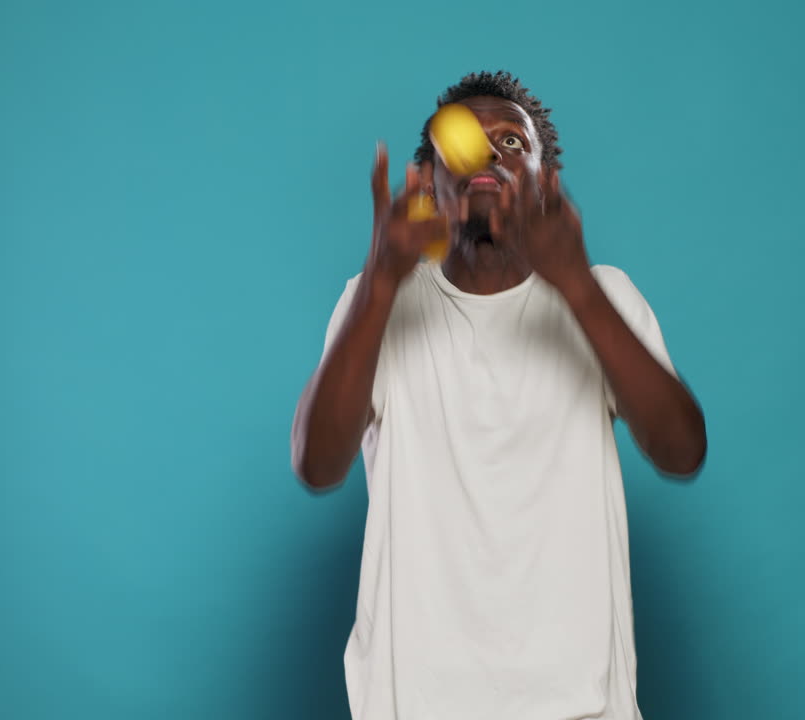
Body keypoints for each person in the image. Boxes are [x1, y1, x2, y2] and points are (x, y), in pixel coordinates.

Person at [290, 70, 707, 720]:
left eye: (512, 142)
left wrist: (573, 282)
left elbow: (682, 452)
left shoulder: (605, 293)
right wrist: (379, 283)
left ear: (547, 175)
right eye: (465, 143)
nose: (487, 154)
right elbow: (317, 466)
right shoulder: (376, 301)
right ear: (429, 181)